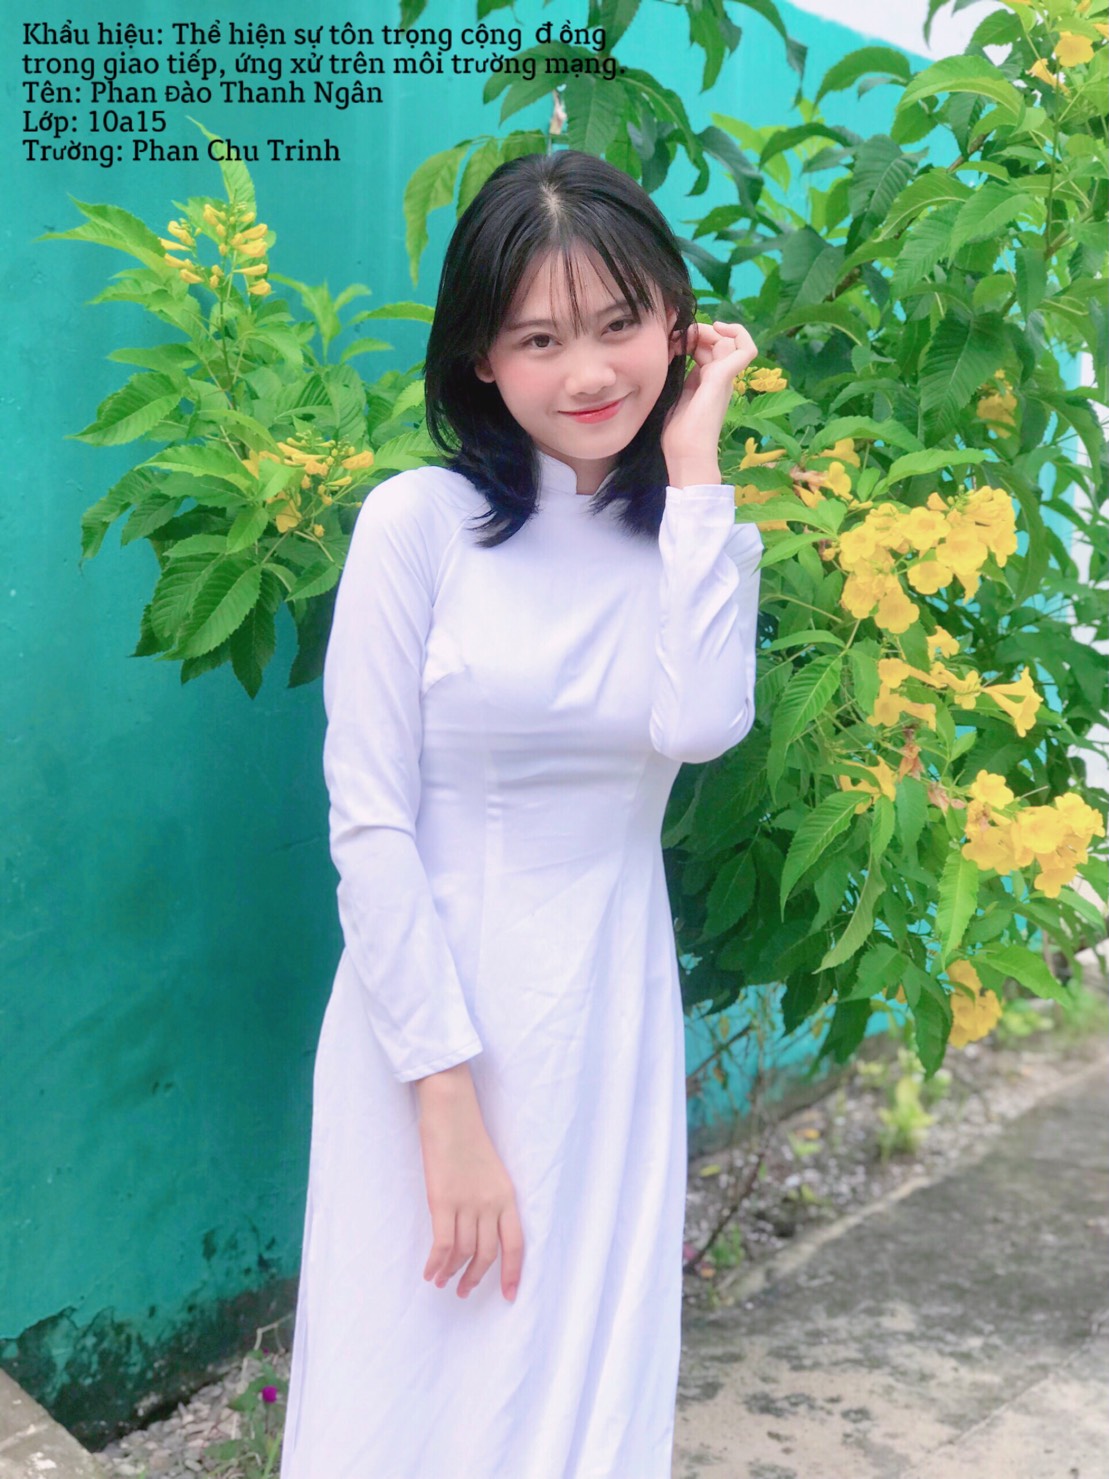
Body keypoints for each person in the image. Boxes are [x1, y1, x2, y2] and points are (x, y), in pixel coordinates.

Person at [280, 147, 764, 1478]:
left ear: (677, 322)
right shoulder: (418, 526)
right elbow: (369, 823)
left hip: (605, 1022)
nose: (588, 371)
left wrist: (696, 461)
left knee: (579, 1390)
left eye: (618, 323)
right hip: (431, 1029)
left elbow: (698, 726)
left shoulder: (693, 540)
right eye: (539, 339)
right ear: (481, 360)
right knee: (409, 1388)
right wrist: (443, 1100)